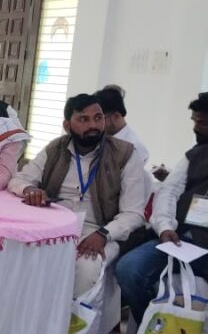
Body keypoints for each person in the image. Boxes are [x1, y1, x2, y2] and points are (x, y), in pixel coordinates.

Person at [10, 93, 146, 298]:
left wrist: (103, 235)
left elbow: (133, 213)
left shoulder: (124, 153)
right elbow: (18, 179)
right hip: (55, 226)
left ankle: (74, 318)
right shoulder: (56, 148)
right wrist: (29, 189)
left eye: (98, 118)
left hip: (99, 229)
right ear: (67, 125)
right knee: (18, 253)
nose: (93, 125)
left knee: (87, 268)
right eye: (83, 119)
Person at [117, 95, 208, 331]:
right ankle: (156, 333)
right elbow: (169, 192)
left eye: (202, 122)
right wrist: (165, 227)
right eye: (195, 121)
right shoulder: (195, 156)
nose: (196, 128)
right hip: (182, 240)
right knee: (129, 269)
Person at [95, 85, 150, 164]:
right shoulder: (99, 139)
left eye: (100, 118)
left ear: (116, 116)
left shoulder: (135, 148)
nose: (94, 124)